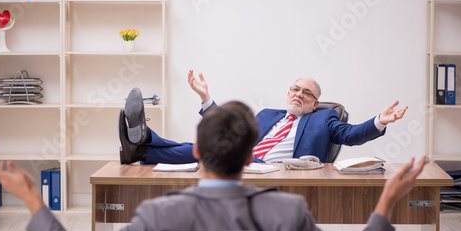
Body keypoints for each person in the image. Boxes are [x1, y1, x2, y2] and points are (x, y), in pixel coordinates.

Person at [0, 101, 425, 231]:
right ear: (252, 152)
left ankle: (142, 145)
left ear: (197, 152)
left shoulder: (157, 216)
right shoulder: (288, 213)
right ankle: (141, 144)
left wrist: (32, 199)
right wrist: (386, 201)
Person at [119, 70, 408, 165]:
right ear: (287, 93)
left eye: (306, 93)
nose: (299, 94)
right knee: (210, 146)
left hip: (273, 170)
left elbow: (352, 134)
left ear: (314, 104)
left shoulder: (325, 119)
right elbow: (229, 130)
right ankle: (141, 146)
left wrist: (380, 120)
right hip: (245, 161)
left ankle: (144, 141)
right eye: (295, 89)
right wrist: (206, 97)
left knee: (210, 150)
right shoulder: (267, 114)